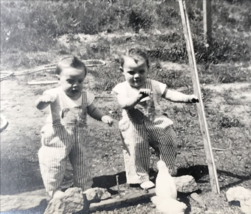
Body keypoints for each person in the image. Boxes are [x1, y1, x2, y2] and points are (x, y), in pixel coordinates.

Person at [112, 48, 198, 189]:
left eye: (141, 71)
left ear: (148, 68)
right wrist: (138, 96)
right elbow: (124, 104)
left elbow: (170, 94)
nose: (136, 76)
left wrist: (187, 98)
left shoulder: (154, 84)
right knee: (137, 148)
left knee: (168, 141)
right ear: (122, 70)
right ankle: (141, 177)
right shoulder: (121, 88)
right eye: (131, 72)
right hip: (133, 125)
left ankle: (168, 171)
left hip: (155, 120)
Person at [35, 56, 113, 198]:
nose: (75, 85)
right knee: (54, 163)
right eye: (70, 81)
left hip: (79, 136)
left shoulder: (85, 95)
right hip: (58, 136)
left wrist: (102, 116)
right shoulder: (54, 94)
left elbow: (92, 110)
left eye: (80, 81)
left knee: (82, 161)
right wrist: (42, 101)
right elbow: (40, 105)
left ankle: (83, 187)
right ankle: (54, 190)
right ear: (58, 78)